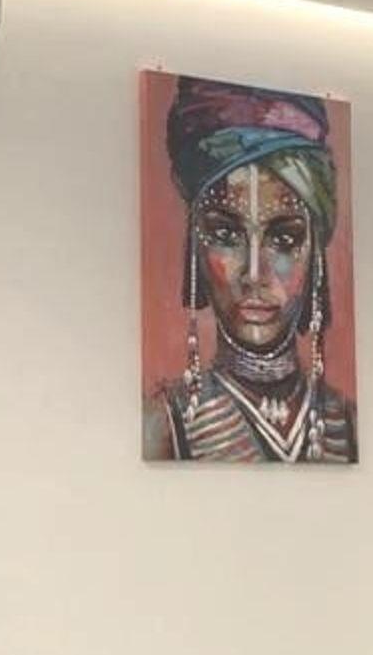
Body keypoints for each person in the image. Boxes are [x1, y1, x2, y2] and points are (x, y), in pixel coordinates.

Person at [143, 75, 358, 462]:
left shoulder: (349, 422)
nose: (254, 274)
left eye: (284, 238)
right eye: (226, 234)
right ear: (195, 247)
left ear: (315, 253)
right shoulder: (163, 423)